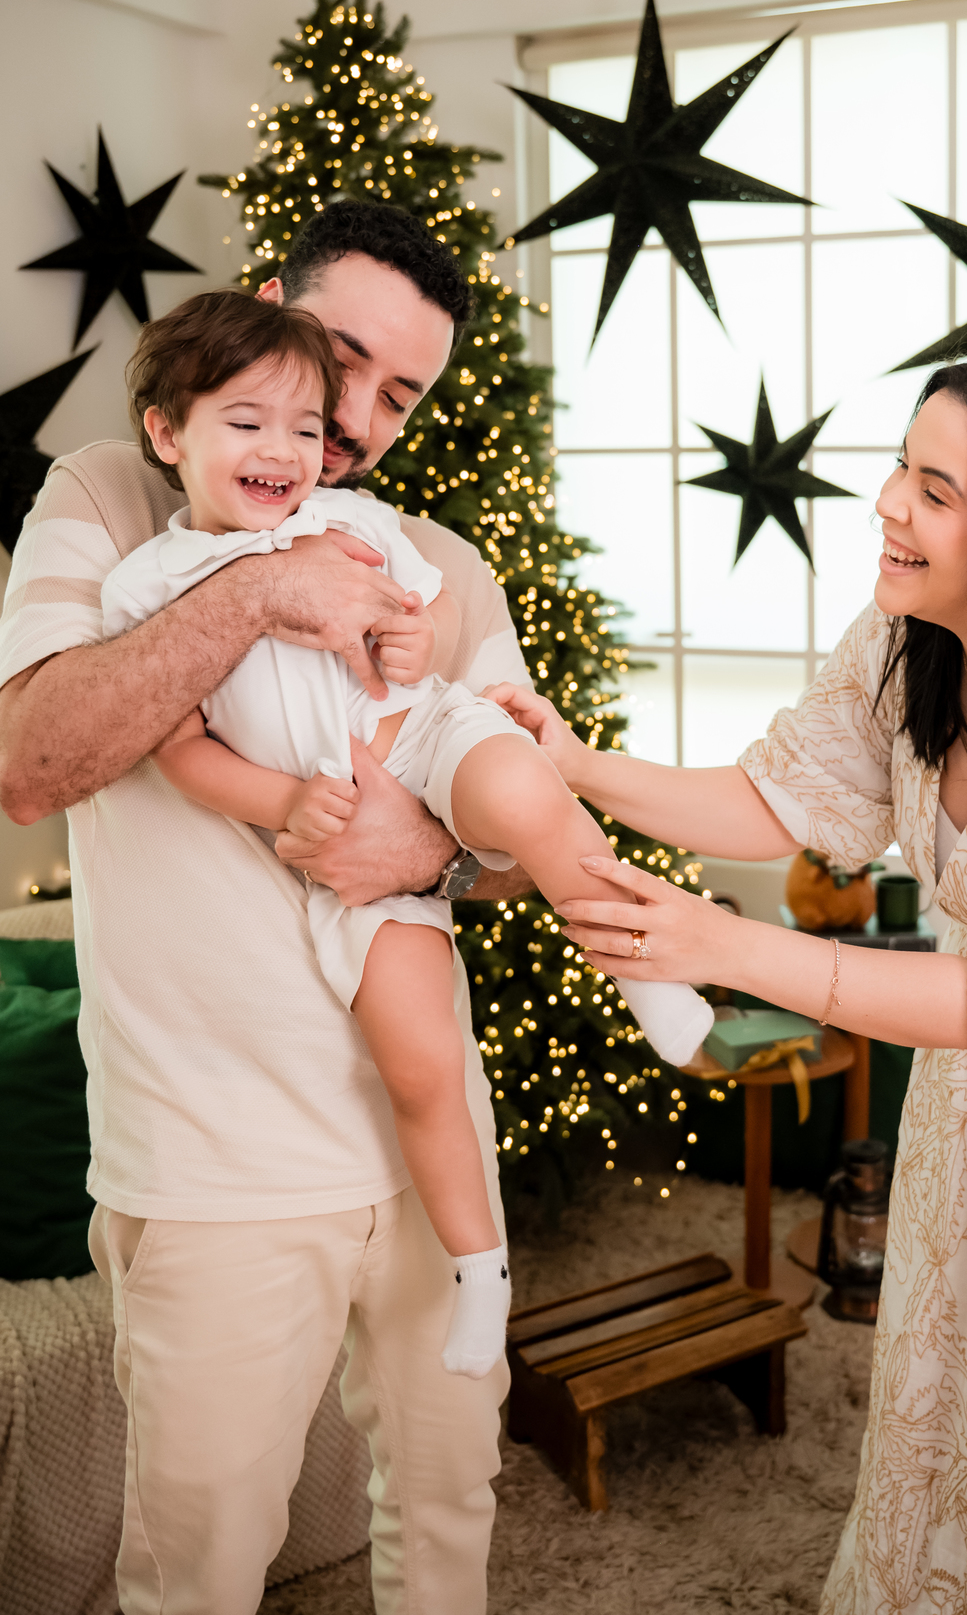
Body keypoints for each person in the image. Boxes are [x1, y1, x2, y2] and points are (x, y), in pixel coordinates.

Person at [493, 356, 967, 1615]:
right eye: (899, 468)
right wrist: (574, 763)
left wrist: (725, 944)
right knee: (957, 1387)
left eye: (934, 489)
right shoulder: (906, 643)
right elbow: (773, 798)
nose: (887, 504)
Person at [0, 203, 538, 1615]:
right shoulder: (108, 493)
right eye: (341, 360)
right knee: (195, 1587)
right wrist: (261, 586)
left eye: (400, 395)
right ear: (267, 314)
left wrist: (435, 844)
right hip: (213, 1160)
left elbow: (511, 830)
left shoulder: (432, 559)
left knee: (450, 1508)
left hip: (426, 1134)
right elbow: (32, 762)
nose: (355, 420)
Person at [104, 287, 711, 1377]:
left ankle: (642, 971)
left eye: (304, 428)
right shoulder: (150, 583)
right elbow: (179, 750)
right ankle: (482, 1272)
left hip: (430, 736)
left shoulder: (350, 523)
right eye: (246, 423)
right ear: (167, 432)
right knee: (422, 1069)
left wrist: (414, 644)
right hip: (342, 852)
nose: (285, 450)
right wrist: (283, 805)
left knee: (528, 794)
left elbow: (428, 615)